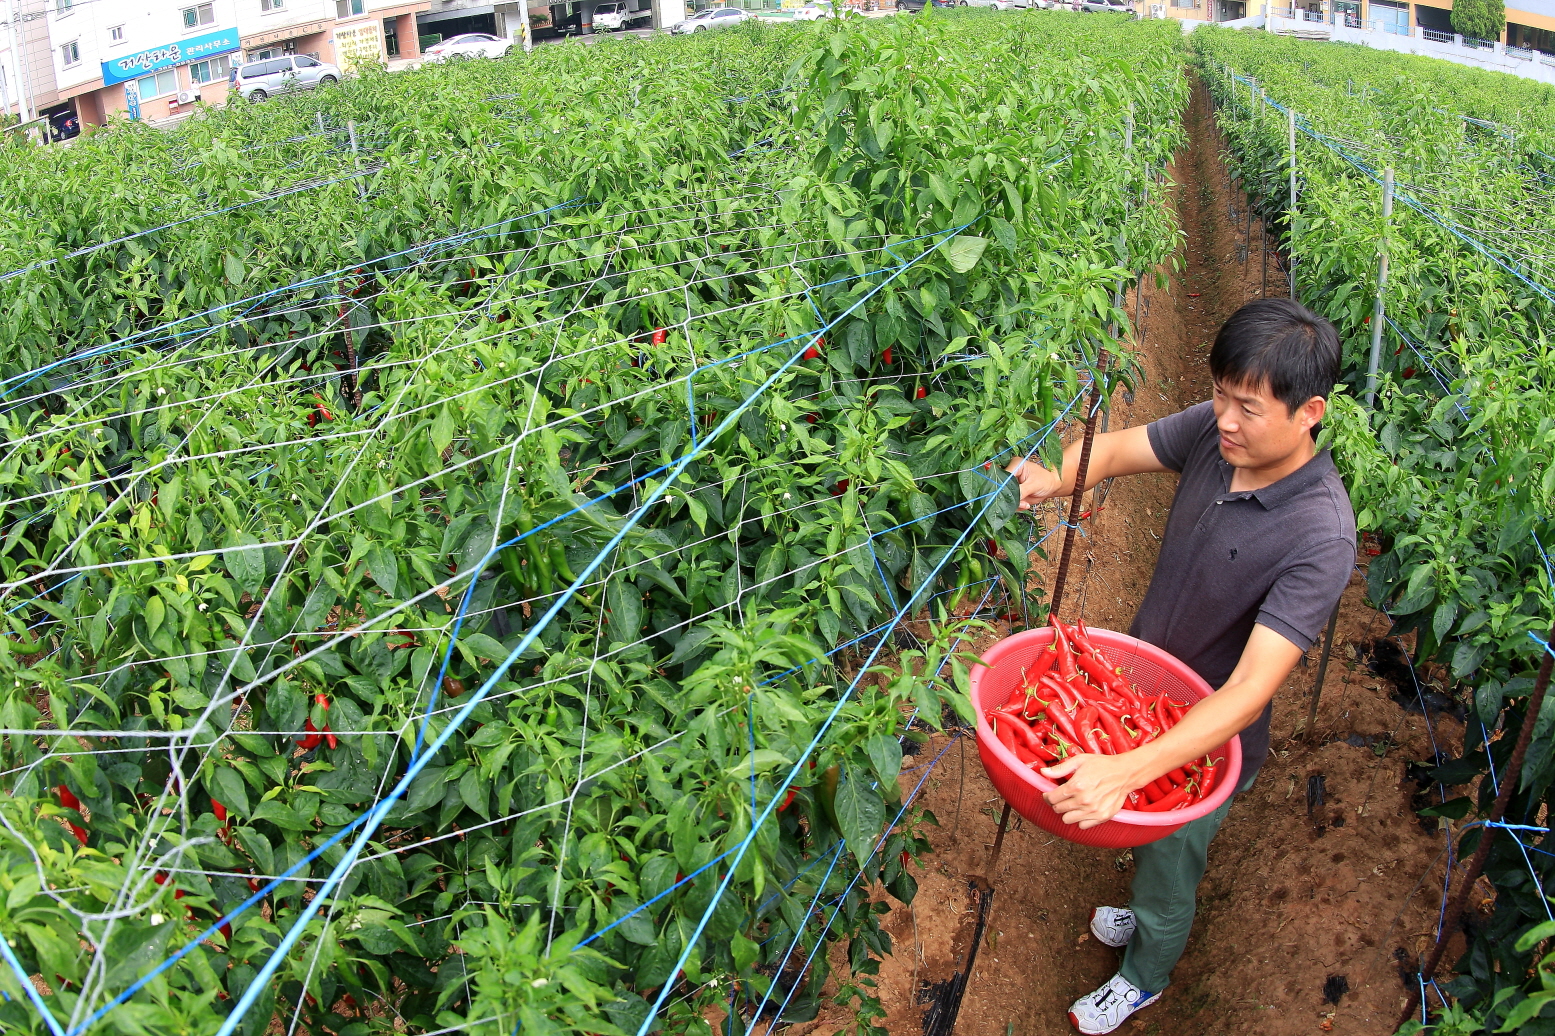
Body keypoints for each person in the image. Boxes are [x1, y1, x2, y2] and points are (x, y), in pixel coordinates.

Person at [1004, 298, 1356, 1035]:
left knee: (1169, 864)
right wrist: (1055, 479)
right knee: (1146, 841)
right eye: (1220, 394)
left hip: (1204, 745)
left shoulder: (1319, 533)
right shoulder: (1219, 433)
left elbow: (1250, 689)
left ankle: (1145, 978)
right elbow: (1122, 449)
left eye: (1247, 406)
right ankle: (1137, 915)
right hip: (1140, 697)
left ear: (1308, 412)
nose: (1224, 417)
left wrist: (1129, 768)